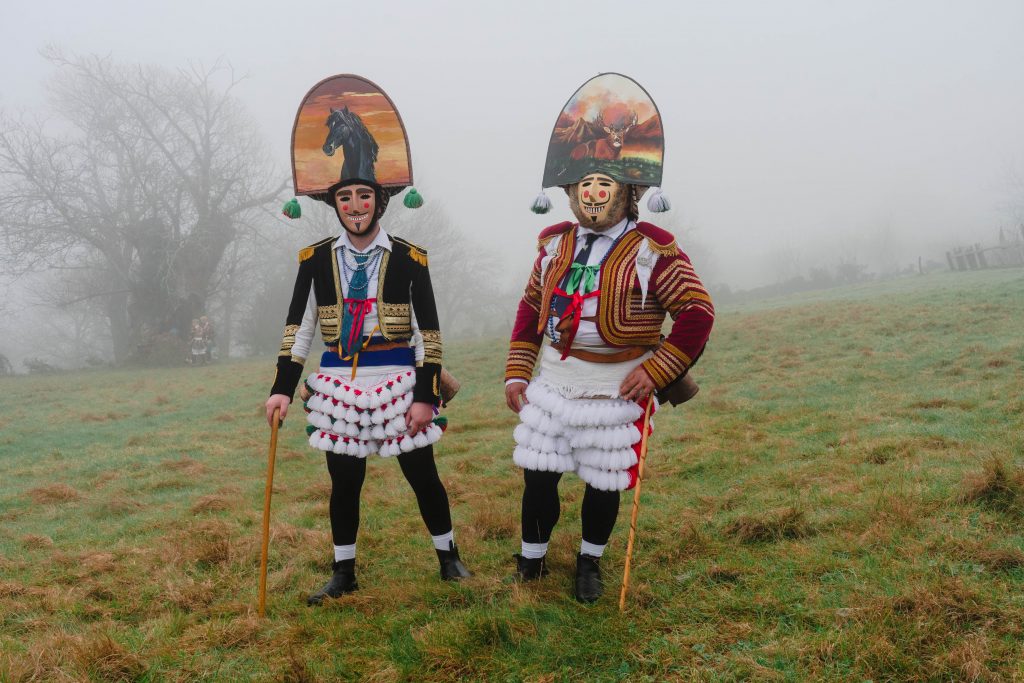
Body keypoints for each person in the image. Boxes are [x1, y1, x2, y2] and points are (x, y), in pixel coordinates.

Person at [506, 73, 714, 603]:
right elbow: (531, 309)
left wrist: (659, 369)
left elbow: (696, 312)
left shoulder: (654, 251)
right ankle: (530, 561)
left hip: (619, 385)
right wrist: (517, 370)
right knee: (538, 475)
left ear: (629, 191)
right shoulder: (554, 248)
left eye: (604, 184)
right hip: (554, 378)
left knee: (603, 480)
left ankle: (589, 564)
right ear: (570, 192)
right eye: (584, 186)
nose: (593, 195)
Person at [265, 74, 471, 606]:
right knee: (344, 480)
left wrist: (426, 395)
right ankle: (344, 572)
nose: (355, 205)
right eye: (345, 197)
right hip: (337, 380)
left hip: (399, 377)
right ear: (333, 203)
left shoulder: (410, 258)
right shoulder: (314, 260)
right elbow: (299, 330)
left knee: (422, 474)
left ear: (381, 201)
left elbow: (430, 333)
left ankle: (448, 558)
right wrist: (283, 388)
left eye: (364, 195)